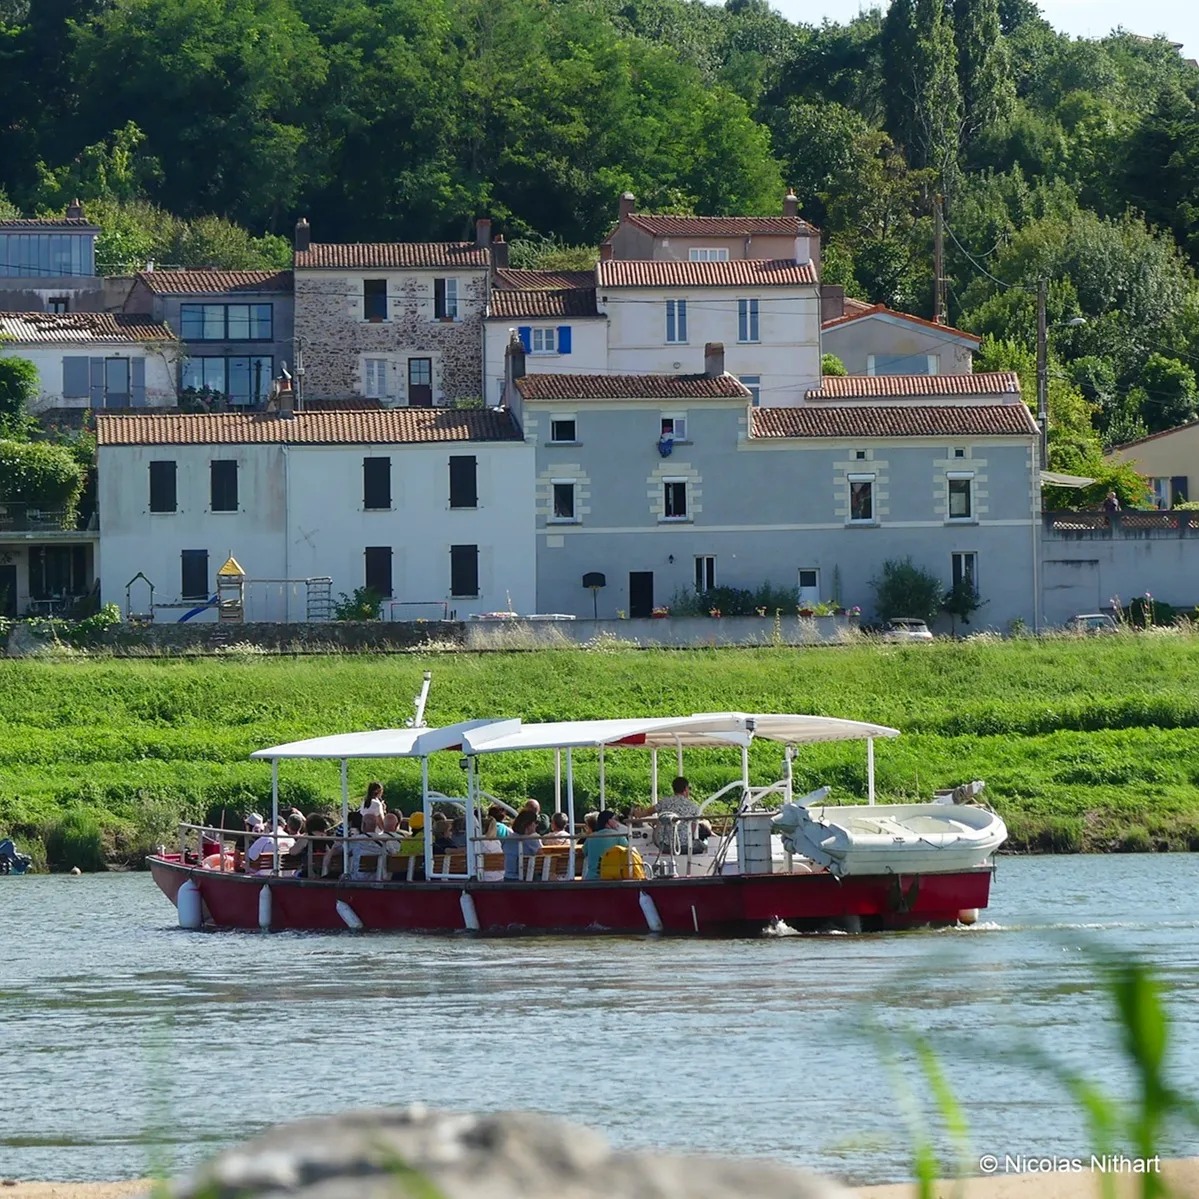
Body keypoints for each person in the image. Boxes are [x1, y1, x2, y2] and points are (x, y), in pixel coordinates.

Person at [583, 809, 628, 880]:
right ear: (609, 821)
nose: (617, 822)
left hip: (591, 878)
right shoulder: (618, 836)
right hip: (611, 878)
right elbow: (628, 851)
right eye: (615, 819)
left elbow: (584, 851)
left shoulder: (590, 837)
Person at [504, 810, 543, 880]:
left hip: (507, 876)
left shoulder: (509, 838)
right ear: (528, 824)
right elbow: (541, 859)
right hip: (525, 877)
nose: (537, 825)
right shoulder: (532, 840)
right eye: (535, 822)